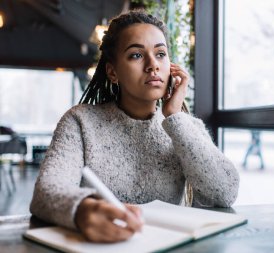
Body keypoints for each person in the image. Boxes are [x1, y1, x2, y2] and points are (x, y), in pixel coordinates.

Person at [30, 10, 239, 243]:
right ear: (112, 72)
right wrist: (82, 210)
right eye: (136, 55)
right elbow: (45, 192)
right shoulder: (80, 121)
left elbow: (225, 193)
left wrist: (174, 116)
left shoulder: (183, 126)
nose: (153, 65)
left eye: (160, 54)